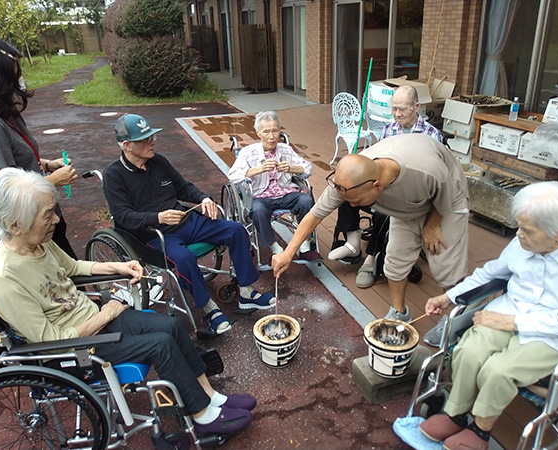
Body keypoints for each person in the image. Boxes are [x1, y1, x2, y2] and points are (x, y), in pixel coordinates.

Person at [0, 168, 256, 437]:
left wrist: (120, 266)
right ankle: (203, 416)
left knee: (171, 326)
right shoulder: (3, 278)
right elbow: (48, 340)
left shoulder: (37, 243)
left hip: (95, 319)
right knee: (160, 344)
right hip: (77, 349)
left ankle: (210, 397)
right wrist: (107, 313)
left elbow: (71, 266)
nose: (57, 219)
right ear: (15, 225)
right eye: (48, 214)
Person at [418, 181, 558, 450]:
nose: (518, 235)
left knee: (498, 370)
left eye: (527, 231)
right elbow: (490, 273)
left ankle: (480, 430)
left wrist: (512, 323)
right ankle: (455, 413)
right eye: (519, 226)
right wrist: (448, 296)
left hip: (552, 335)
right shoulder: (521, 245)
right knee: (469, 351)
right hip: (507, 312)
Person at [103, 113, 275, 336]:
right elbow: (122, 216)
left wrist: (204, 198)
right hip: (152, 235)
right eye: (145, 139)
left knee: (236, 230)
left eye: (152, 136)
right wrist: (158, 218)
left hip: (185, 221)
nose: (153, 141)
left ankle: (246, 293)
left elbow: (183, 188)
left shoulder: (159, 162)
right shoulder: (114, 175)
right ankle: (209, 309)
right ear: (127, 145)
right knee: (183, 258)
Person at [272, 134, 469, 326]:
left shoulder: (426, 171)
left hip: (447, 200)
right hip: (409, 204)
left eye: (356, 201)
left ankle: (456, 318)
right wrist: (288, 253)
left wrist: (432, 225)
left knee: (445, 266)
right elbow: (314, 215)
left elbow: (447, 192)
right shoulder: (348, 180)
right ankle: (399, 313)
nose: (354, 206)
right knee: (395, 262)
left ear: (377, 186)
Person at [329, 85, 443, 291]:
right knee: (349, 191)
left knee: (383, 213)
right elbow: (376, 162)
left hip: (412, 196)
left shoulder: (431, 135)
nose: (397, 114)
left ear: (416, 107)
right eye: (394, 109)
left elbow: (435, 180)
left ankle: (370, 259)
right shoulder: (389, 129)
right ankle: (353, 243)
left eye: (402, 109)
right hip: (384, 184)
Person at [0, 37, 78, 258]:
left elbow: (14, 160)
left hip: (43, 219)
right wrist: (54, 181)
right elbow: (0, 191)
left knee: (68, 277)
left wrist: (46, 164)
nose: (20, 78)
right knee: (58, 285)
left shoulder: (6, 113)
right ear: (0, 77)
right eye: (16, 73)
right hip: (26, 231)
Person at [228, 111, 320, 261]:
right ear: (258, 133)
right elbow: (232, 176)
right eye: (266, 132)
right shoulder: (247, 152)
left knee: (306, 200)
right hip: (260, 196)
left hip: (286, 192)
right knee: (257, 209)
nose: (272, 136)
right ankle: (276, 249)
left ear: (279, 131)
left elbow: (308, 168)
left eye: (275, 131)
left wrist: (291, 168)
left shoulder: (285, 150)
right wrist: (259, 169)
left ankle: (305, 247)